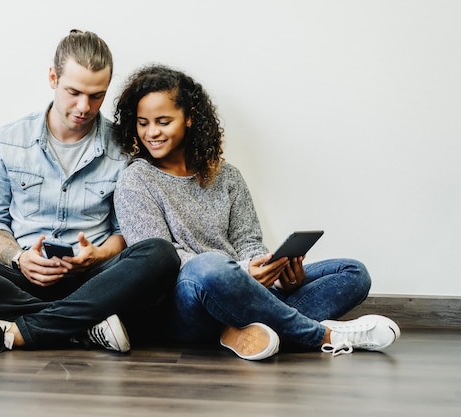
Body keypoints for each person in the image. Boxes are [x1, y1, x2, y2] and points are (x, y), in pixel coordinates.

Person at [0, 31, 180, 353]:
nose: (84, 107)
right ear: (53, 78)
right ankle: (80, 327)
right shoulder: (8, 140)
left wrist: (97, 255)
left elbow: (126, 232)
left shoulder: (124, 148)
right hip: (23, 281)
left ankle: (16, 332)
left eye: (97, 96)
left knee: (160, 253)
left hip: (96, 281)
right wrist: (20, 258)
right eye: (74, 92)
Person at [111, 63, 400, 360]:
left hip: (243, 286)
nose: (151, 132)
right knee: (209, 267)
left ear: (189, 118)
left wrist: (273, 273)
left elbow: (248, 240)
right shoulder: (136, 180)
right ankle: (323, 334)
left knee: (352, 272)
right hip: (185, 302)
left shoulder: (227, 176)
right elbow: (159, 263)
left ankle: (248, 331)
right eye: (143, 123)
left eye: (162, 121)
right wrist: (239, 272)